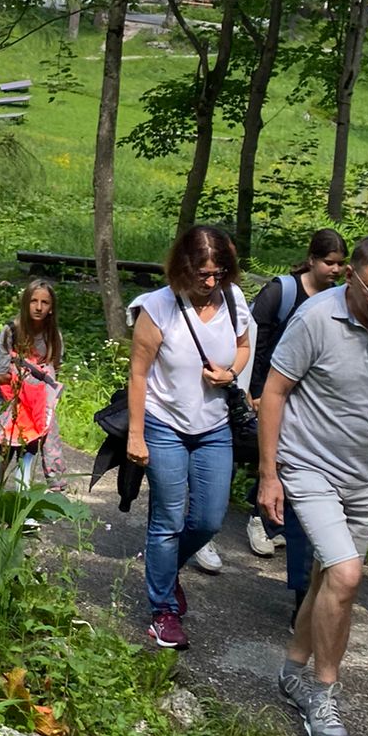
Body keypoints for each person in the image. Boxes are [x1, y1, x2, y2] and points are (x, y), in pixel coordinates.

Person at [257, 234, 368, 736]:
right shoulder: (314, 318)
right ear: (351, 275)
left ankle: (292, 671)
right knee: (348, 577)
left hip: (367, 477)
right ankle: (325, 697)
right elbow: (273, 392)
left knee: (329, 578)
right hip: (310, 468)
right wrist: (269, 474)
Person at [126, 225, 251, 650]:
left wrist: (230, 373)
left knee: (209, 520)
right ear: (183, 268)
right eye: (203, 274)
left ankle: (163, 569)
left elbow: (244, 346)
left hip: (214, 427)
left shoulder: (233, 300)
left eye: (218, 273)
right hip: (164, 424)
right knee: (168, 518)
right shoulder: (157, 307)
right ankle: (163, 611)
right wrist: (137, 436)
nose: (211, 282)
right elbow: (138, 374)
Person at [245, 230, 349, 604]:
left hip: (314, 399)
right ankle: (262, 516)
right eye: (329, 263)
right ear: (311, 259)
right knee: (274, 456)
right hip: (276, 390)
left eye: (340, 263)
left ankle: (279, 518)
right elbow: (257, 343)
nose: (335, 270)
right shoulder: (282, 292)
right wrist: (256, 390)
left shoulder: (343, 300)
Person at [0, 279, 65, 496]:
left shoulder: (53, 335)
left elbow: (54, 365)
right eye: (34, 301)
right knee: (5, 454)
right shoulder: (12, 331)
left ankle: (21, 508)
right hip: (13, 405)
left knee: (28, 453)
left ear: (51, 308)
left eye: (45, 303)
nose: (39, 307)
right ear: (25, 303)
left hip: (37, 408)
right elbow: (1, 375)